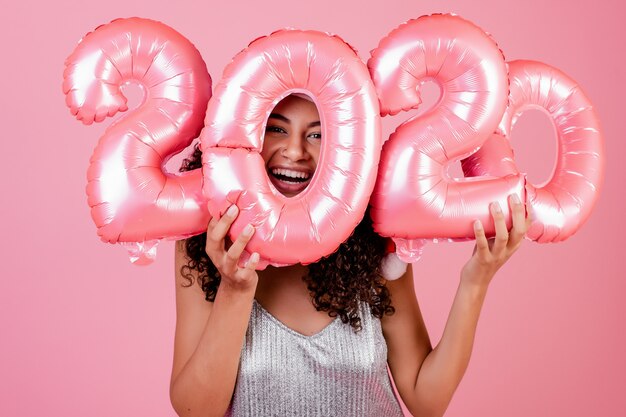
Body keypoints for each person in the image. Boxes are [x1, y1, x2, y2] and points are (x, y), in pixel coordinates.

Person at [169, 94, 531, 417]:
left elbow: (427, 400)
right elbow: (196, 410)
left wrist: (476, 280)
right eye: (276, 130)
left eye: (317, 134)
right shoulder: (205, 248)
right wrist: (235, 289)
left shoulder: (375, 245)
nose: (295, 151)